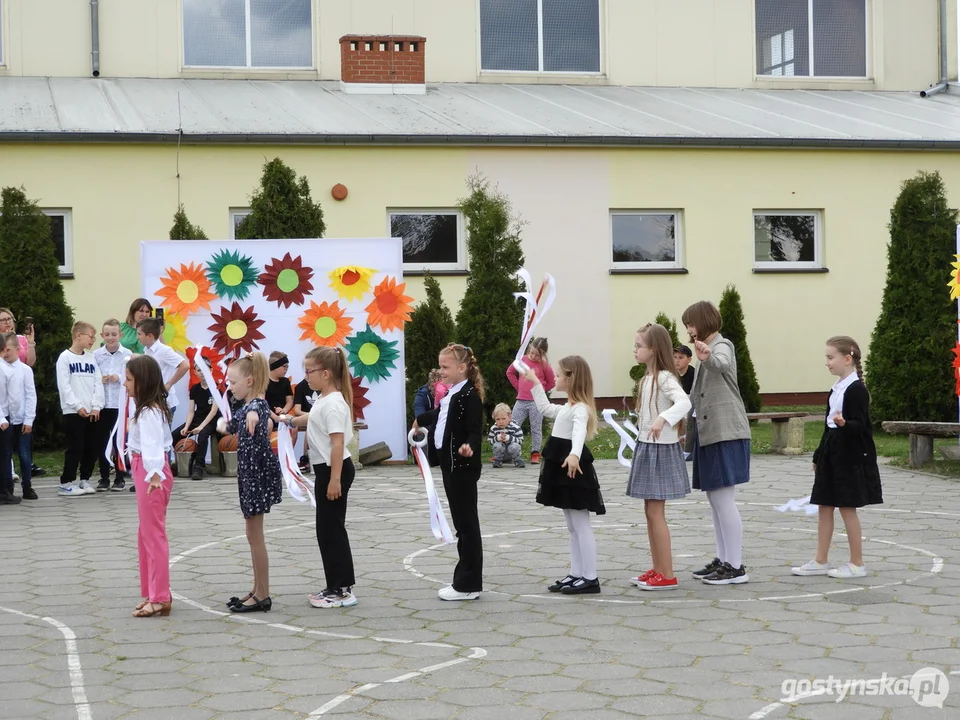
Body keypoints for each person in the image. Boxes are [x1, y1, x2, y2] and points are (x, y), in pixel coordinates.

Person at [793, 336, 883, 579]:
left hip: (849, 455)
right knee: (824, 505)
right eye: (826, 358)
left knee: (847, 508)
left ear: (847, 358)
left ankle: (857, 563)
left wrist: (845, 424)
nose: (827, 362)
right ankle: (820, 560)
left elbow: (862, 426)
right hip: (832, 451)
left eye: (830, 357)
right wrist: (818, 455)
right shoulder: (836, 388)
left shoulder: (857, 390)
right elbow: (827, 425)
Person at [682, 301, 751, 586]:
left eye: (690, 323)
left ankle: (735, 566)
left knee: (723, 500)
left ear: (703, 321)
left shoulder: (722, 346)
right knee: (715, 500)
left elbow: (720, 363)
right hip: (709, 433)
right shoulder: (702, 352)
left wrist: (707, 355)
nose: (688, 329)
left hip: (726, 433)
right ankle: (723, 560)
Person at [283, 346, 358, 609]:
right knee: (325, 530)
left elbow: (337, 444)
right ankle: (334, 584)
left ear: (325, 374)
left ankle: (343, 590)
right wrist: (287, 420)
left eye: (309, 372)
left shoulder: (334, 403)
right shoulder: (323, 400)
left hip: (333, 469)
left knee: (332, 529)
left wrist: (334, 480)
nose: (306, 378)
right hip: (327, 469)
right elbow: (311, 420)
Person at [524, 355, 605, 595]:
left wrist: (574, 455)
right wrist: (534, 383)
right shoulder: (567, 407)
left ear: (571, 379)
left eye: (558, 375)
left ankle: (591, 577)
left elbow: (579, 432)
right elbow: (544, 408)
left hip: (573, 468)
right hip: (563, 466)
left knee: (581, 524)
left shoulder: (580, 409)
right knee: (572, 525)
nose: (555, 378)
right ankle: (576, 573)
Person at [413, 343, 485, 601]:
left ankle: (468, 584)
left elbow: (475, 430)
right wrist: (421, 420)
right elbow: (441, 415)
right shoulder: (453, 394)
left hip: (462, 468)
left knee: (467, 525)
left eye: (445, 367)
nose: (440, 371)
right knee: (461, 524)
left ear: (462, 368)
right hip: (449, 466)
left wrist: (469, 446)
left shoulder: (469, 397)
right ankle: (464, 581)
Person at [626, 324, 692, 591]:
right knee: (649, 513)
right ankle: (658, 568)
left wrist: (663, 419)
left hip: (660, 450)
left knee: (656, 513)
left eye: (639, 346)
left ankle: (668, 574)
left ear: (653, 350)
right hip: (647, 447)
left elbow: (684, 402)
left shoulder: (665, 377)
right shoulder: (647, 379)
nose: (635, 350)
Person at [218, 352, 283, 613]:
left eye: (233, 383)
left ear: (249, 380)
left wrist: (254, 416)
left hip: (256, 476)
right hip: (248, 476)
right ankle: (256, 589)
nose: (229, 387)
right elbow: (231, 426)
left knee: (255, 535)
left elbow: (257, 412)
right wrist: (224, 423)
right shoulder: (245, 406)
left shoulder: (257, 404)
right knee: (250, 534)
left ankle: (263, 594)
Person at [125, 355, 175, 617]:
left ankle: (160, 596)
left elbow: (154, 446)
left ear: (142, 382)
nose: (125, 384)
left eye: (130, 380)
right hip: (143, 469)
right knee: (145, 533)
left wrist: (154, 476)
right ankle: (152, 590)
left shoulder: (149, 412)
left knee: (153, 534)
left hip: (150, 473)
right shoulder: (145, 409)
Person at [56, 321, 104, 497]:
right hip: (73, 411)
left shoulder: (91, 358)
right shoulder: (65, 358)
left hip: (92, 411)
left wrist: (96, 406)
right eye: (90, 336)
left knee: (91, 447)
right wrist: (77, 406)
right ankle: (66, 482)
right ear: (78, 335)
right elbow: (64, 386)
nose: (93, 340)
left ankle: (85, 478)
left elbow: (98, 383)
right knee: (75, 447)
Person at [93, 319, 132, 491]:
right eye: (107, 334)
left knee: (119, 443)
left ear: (120, 335)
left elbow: (131, 376)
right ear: (102, 336)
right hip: (102, 405)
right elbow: (93, 377)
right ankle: (103, 477)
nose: (110, 338)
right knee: (101, 442)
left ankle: (119, 477)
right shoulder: (96, 355)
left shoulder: (127, 354)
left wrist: (119, 377)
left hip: (119, 405)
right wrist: (99, 379)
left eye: (114, 334)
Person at [507, 337, 554, 464]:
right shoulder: (522, 360)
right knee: (513, 425)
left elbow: (551, 382)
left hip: (536, 403)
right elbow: (510, 372)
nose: (533, 356)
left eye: (537, 355)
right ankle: (508, 452)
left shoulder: (545, 365)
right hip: (521, 400)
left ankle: (535, 453)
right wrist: (518, 387)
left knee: (536, 427)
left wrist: (541, 391)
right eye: (531, 352)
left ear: (543, 355)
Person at [171, 356, 220, 481]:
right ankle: (182, 462)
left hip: (212, 420)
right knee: (174, 435)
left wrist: (200, 427)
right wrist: (187, 427)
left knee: (203, 435)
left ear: (211, 370)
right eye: (199, 370)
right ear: (195, 372)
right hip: (198, 419)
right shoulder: (195, 389)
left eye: (205, 369)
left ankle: (199, 466)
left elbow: (213, 411)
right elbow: (191, 410)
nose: (202, 372)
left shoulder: (217, 387)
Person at [1, 332, 36, 501]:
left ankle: (27, 486)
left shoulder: (25, 370)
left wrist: (29, 419)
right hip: (6, 419)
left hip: (22, 419)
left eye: (9, 349)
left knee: (24, 453)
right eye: (3, 349)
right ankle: (7, 488)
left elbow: (30, 395)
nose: (6, 353)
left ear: (17, 348)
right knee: (6, 454)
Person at [136, 318, 188, 413]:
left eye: (139, 334)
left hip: (164, 402)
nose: (137, 337)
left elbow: (184, 365)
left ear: (149, 336)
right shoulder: (146, 350)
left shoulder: (164, 350)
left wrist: (169, 384)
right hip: (152, 401)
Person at [488, 403, 524, 468]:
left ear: (509, 417)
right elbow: (490, 442)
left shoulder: (515, 427)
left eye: (503, 419)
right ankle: (498, 460)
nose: (501, 421)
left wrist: (509, 438)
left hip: (512, 452)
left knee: (514, 446)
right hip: (500, 453)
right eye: (498, 419)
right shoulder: (494, 428)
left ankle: (517, 460)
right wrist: (497, 438)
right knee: (497, 445)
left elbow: (520, 441)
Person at [293, 378, 316, 473]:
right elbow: (297, 410)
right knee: (311, 422)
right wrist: (312, 415)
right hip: (308, 417)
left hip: (321, 416)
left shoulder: (324, 384)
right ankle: (306, 457)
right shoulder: (301, 386)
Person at [266, 352, 294, 425]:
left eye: (287, 367)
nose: (286, 369)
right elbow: (262, 403)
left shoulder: (285, 381)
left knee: (294, 422)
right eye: (284, 366)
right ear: (275, 366)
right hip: (268, 416)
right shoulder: (264, 382)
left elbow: (290, 400)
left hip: (282, 415)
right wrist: (275, 417)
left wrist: (284, 410)